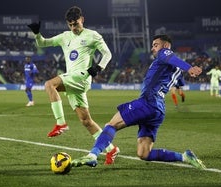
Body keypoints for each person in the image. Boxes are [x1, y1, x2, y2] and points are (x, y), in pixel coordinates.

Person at [72, 34, 206, 170]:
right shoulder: (175, 68)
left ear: (165, 46)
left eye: (155, 45)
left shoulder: (164, 53)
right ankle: (184, 156)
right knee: (144, 153)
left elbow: (169, 57)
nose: (153, 48)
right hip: (158, 110)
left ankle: (92, 156)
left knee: (111, 125)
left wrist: (189, 67)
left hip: (148, 102)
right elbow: (178, 81)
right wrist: (186, 72)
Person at [27, 6, 119, 164]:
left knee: (50, 85)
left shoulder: (92, 35)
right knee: (86, 121)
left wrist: (98, 67)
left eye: (76, 23)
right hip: (73, 79)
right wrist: (37, 34)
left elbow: (107, 53)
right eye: (70, 25)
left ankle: (60, 123)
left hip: (82, 77)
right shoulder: (65, 36)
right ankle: (112, 149)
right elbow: (43, 43)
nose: (73, 27)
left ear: (82, 19)